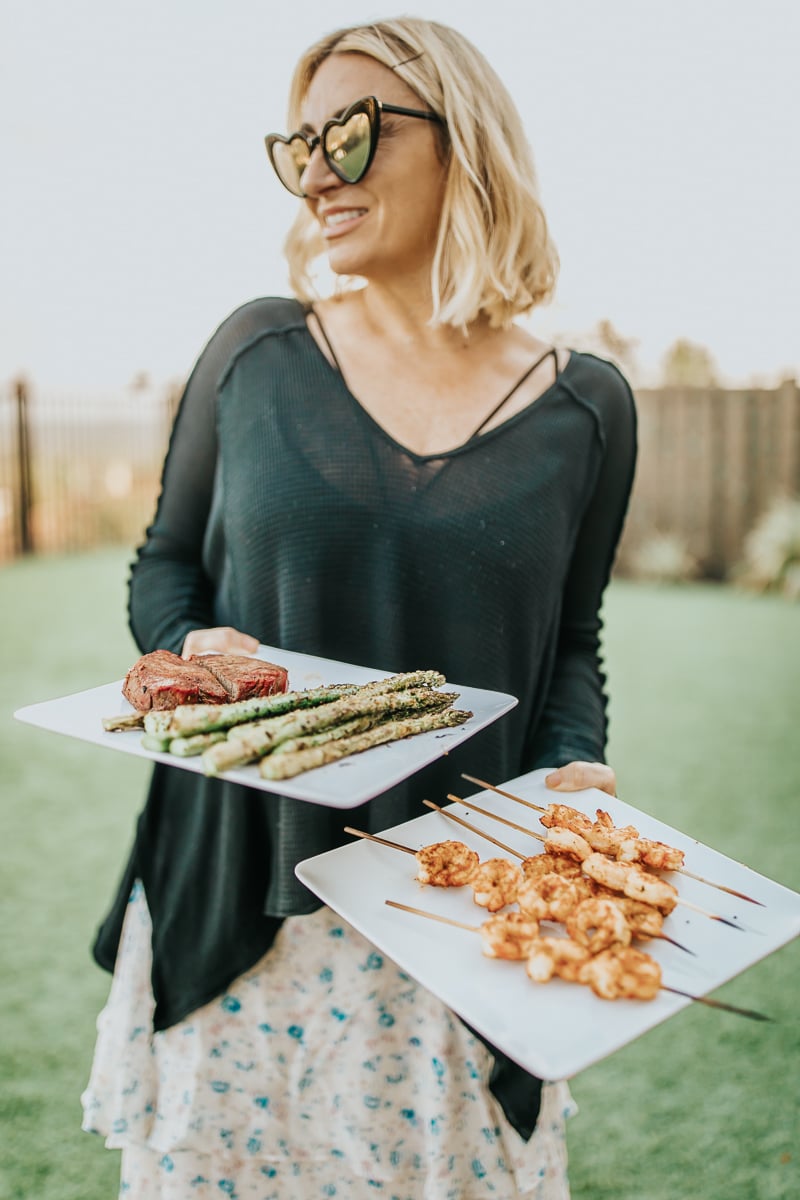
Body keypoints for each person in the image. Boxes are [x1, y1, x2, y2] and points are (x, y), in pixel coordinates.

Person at [81, 16, 636, 1200]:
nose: (318, 171)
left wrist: (574, 761)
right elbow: (163, 565)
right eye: (298, 144)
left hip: (452, 933)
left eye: (351, 131)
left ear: (465, 145)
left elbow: (571, 643)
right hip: (239, 911)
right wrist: (192, 647)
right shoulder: (253, 351)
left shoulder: (586, 406)